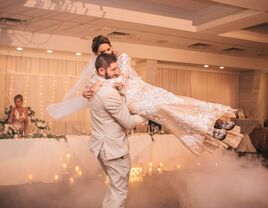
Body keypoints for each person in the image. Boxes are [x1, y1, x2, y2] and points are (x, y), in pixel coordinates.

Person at [47, 35, 241, 155]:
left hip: (146, 89)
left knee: (176, 101)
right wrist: (90, 90)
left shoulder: (122, 59)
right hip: (134, 100)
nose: (107, 52)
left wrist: (100, 85)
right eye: (102, 51)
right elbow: (105, 87)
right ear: (96, 55)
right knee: (166, 113)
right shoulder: (97, 74)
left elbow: (125, 78)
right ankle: (209, 131)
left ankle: (216, 121)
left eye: (108, 48)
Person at [90, 53, 146, 208]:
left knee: (115, 189)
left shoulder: (94, 86)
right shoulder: (108, 93)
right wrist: (147, 115)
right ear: (102, 71)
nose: (118, 72)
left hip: (102, 147)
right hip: (114, 150)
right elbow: (128, 122)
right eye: (114, 69)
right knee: (120, 191)